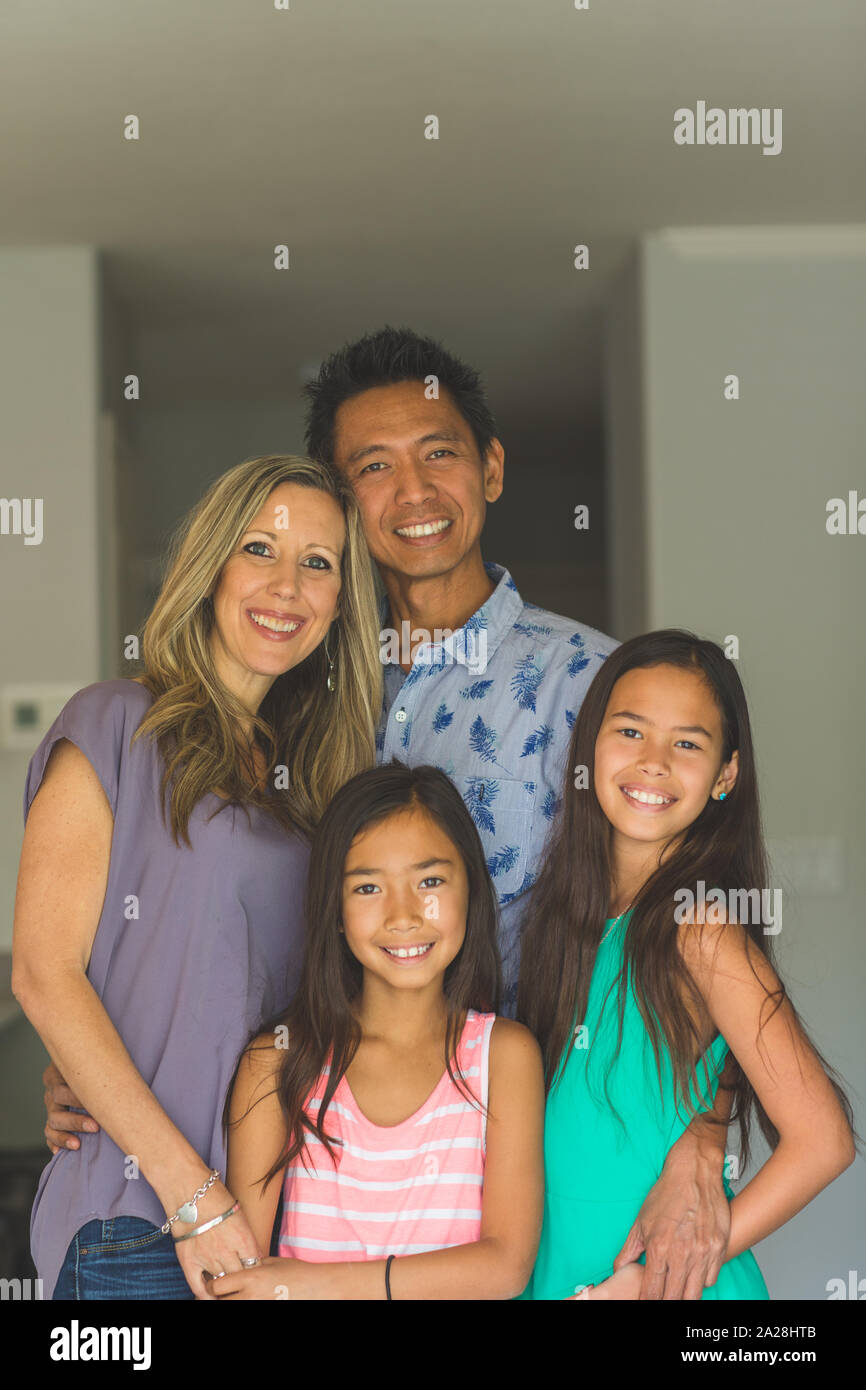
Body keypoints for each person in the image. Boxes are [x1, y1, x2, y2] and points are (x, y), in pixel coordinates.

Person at [302, 325, 742, 1296]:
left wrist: (704, 1135)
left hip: (550, 1167)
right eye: (372, 467)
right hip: (348, 1167)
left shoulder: (591, 683)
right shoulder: (305, 690)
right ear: (340, 503)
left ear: (490, 468)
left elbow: (694, 931)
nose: (412, 493)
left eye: (439, 454)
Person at [13, 455, 382, 1300]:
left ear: (339, 603)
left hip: (286, 1231)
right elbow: (44, 972)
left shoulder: (317, 788)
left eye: (318, 563)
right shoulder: (113, 724)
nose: (287, 585)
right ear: (212, 564)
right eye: (261, 548)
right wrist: (194, 1198)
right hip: (141, 1230)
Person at [516, 630, 857, 1300]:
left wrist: (657, 1278)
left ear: (726, 775)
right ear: (588, 745)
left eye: (688, 744)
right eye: (631, 731)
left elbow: (825, 1140)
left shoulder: (701, 930)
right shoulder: (562, 919)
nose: (654, 763)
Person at [213, 760, 544, 1300]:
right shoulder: (278, 1063)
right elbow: (240, 1280)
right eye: (368, 888)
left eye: (431, 881)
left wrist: (311, 1286)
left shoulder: (503, 1057)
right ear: (336, 912)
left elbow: (504, 1267)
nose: (404, 915)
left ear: (472, 892)